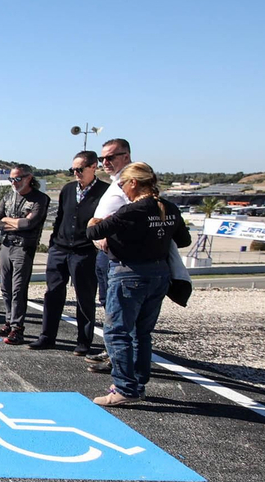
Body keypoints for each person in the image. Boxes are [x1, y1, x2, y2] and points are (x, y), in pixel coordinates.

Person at [84, 162, 190, 407]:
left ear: (134, 182)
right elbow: (183, 239)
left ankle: (125, 387)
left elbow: (93, 232)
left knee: (116, 331)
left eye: (122, 184)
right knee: (141, 332)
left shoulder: (132, 210)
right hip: (159, 274)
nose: (122, 190)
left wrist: (94, 221)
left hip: (129, 274)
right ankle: (138, 383)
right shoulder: (169, 208)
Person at [30, 151, 107, 353]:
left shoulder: (105, 192)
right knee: (53, 294)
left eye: (80, 169)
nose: (76, 173)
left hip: (85, 252)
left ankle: (83, 341)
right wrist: (54, 243)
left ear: (93, 167)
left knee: (84, 297)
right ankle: (47, 337)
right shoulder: (68, 189)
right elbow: (60, 218)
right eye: (73, 169)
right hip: (60, 249)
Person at [86, 137, 137, 370]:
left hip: (120, 256)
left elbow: (136, 214)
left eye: (110, 157)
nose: (105, 162)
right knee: (108, 304)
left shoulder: (131, 182)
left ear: (125, 156)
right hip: (105, 254)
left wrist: (108, 233)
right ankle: (112, 352)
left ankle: (122, 362)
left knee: (121, 311)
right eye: (102, 158)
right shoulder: (116, 182)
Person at [0, 164, 50, 344]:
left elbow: (28, 225)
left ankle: (17, 328)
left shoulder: (40, 199)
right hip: (6, 245)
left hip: (23, 248)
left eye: (17, 179)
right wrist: (13, 222)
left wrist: (7, 221)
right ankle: (8, 321)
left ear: (28, 178)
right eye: (11, 179)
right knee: (5, 288)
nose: (13, 183)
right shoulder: (8, 196)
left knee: (18, 289)